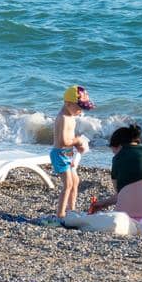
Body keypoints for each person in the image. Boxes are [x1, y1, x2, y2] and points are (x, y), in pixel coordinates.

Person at [49, 85, 93, 219]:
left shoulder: (71, 115)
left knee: (75, 182)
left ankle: (72, 209)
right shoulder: (63, 118)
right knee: (67, 184)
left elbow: (69, 140)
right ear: (68, 103)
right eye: (79, 107)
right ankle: (60, 214)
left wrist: (77, 148)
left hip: (67, 153)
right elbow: (63, 141)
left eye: (83, 108)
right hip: (59, 154)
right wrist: (78, 141)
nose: (80, 111)